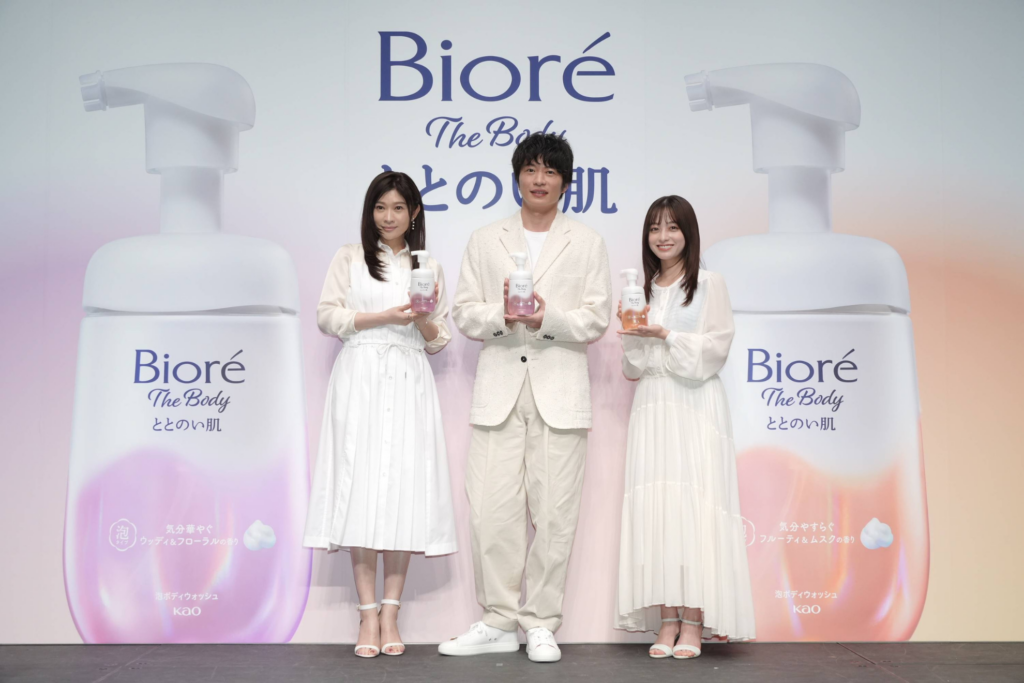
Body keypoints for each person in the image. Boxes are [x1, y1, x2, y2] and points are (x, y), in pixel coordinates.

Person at [441, 133, 612, 663]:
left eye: (550, 172)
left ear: (565, 182)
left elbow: (596, 318)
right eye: (531, 170)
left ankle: (540, 622)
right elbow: (464, 312)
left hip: (560, 391)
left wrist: (545, 318)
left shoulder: (587, 241)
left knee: (555, 516)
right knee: (490, 513)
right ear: (516, 176)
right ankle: (498, 620)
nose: (540, 180)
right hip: (498, 392)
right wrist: (504, 315)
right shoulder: (484, 238)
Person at [304, 171, 457, 658]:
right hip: (361, 377)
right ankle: (366, 614)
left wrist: (423, 320)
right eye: (379, 207)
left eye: (397, 208)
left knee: (402, 493)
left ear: (414, 213)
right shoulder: (350, 257)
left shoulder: (427, 264)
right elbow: (328, 315)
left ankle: (392, 612)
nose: (388, 217)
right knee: (362, 490)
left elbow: (440, 338)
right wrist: (384, 317)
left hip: (409, 378)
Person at [615, 195, 756, 658]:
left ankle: (693, 622)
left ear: (689, 233)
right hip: (652, 403)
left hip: (695, 405)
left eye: (672, 227)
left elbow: (716, 348)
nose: (662, 236)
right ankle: (667, 620)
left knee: (696, 509)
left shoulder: (710, 284)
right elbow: (634, 367)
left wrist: (667, 335)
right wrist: (633, 335)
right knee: (659, 512)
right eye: (654, 228)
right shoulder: (642, 291)